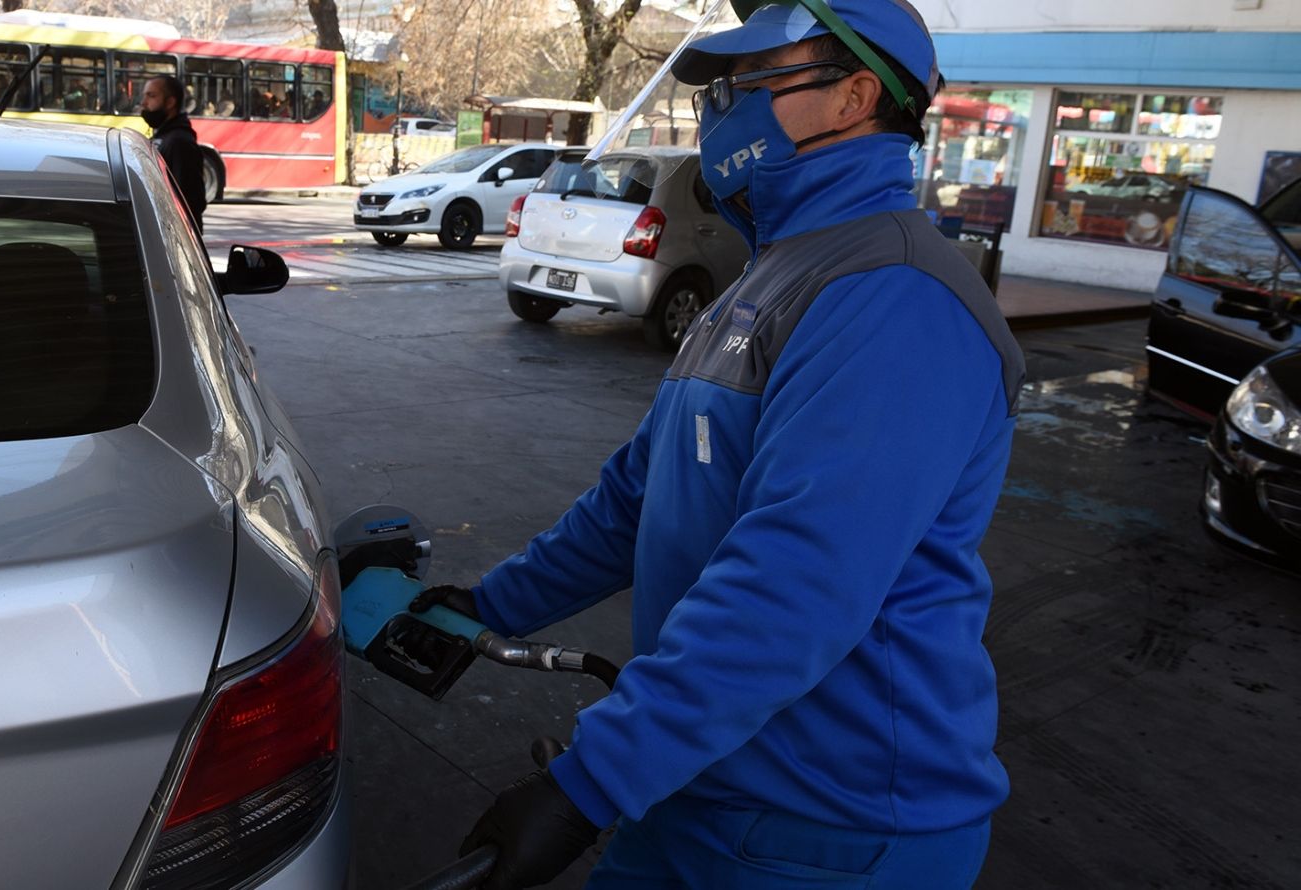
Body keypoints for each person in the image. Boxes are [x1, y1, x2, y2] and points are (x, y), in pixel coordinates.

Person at [411, 1, 1025, 888]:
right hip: (700, 784)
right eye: (720, 89)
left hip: (830, 830)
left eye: (752, 81)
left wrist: (593, 781)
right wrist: (483, 608)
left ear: (855, 96)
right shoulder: (773, 275)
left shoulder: (897, 297)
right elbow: (636, 500)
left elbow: (796, 584)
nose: (722, 109)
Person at [140, 74, 206, 234]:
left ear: (170, 102)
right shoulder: (164, 137)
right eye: (144, 96)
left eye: (151, 96)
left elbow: (189, 201)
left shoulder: (179, 142)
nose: (144, 103)